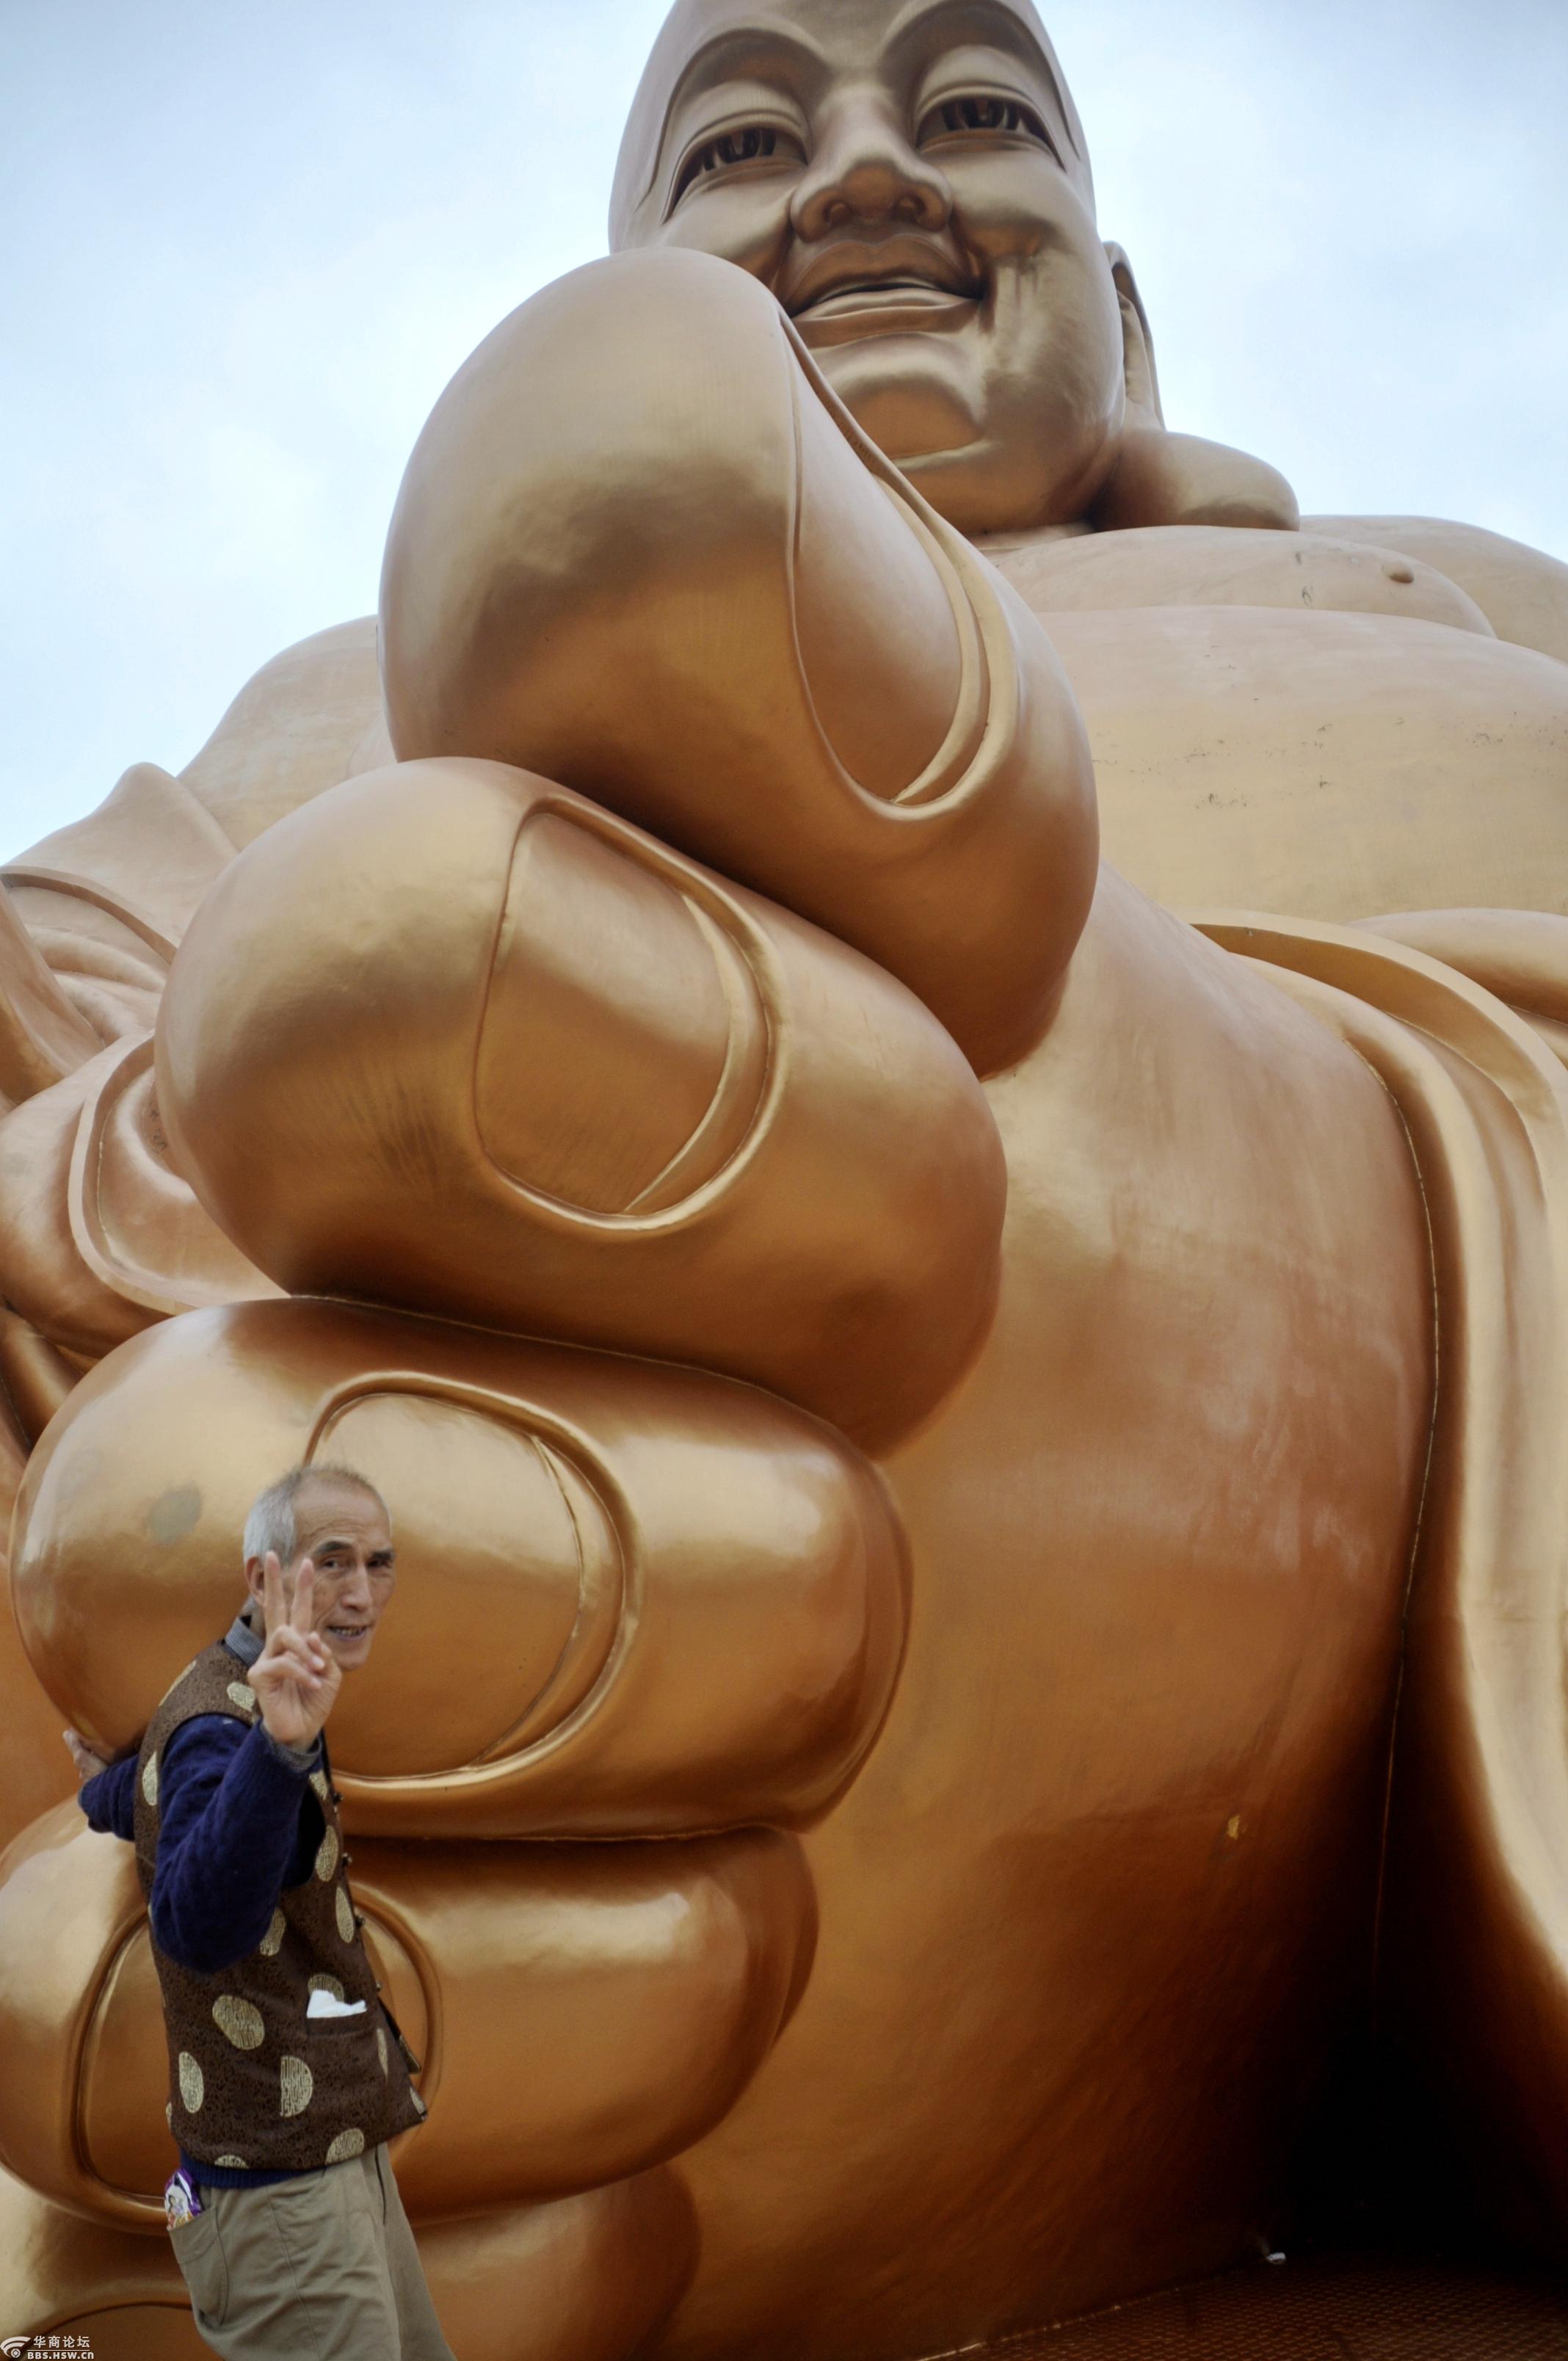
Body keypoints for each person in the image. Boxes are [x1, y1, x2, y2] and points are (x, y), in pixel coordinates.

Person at [65, 1462, 454, 2361]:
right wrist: (279, 1753)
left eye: (379, 1563)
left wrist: (101, 1793)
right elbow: (197, 1928)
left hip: (326, 2162)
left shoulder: (235, 1691)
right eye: (333, 1561)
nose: (361, 1593)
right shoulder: (231, 1722)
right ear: (264, 1576)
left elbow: (162, 1793)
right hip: (285, 2200)